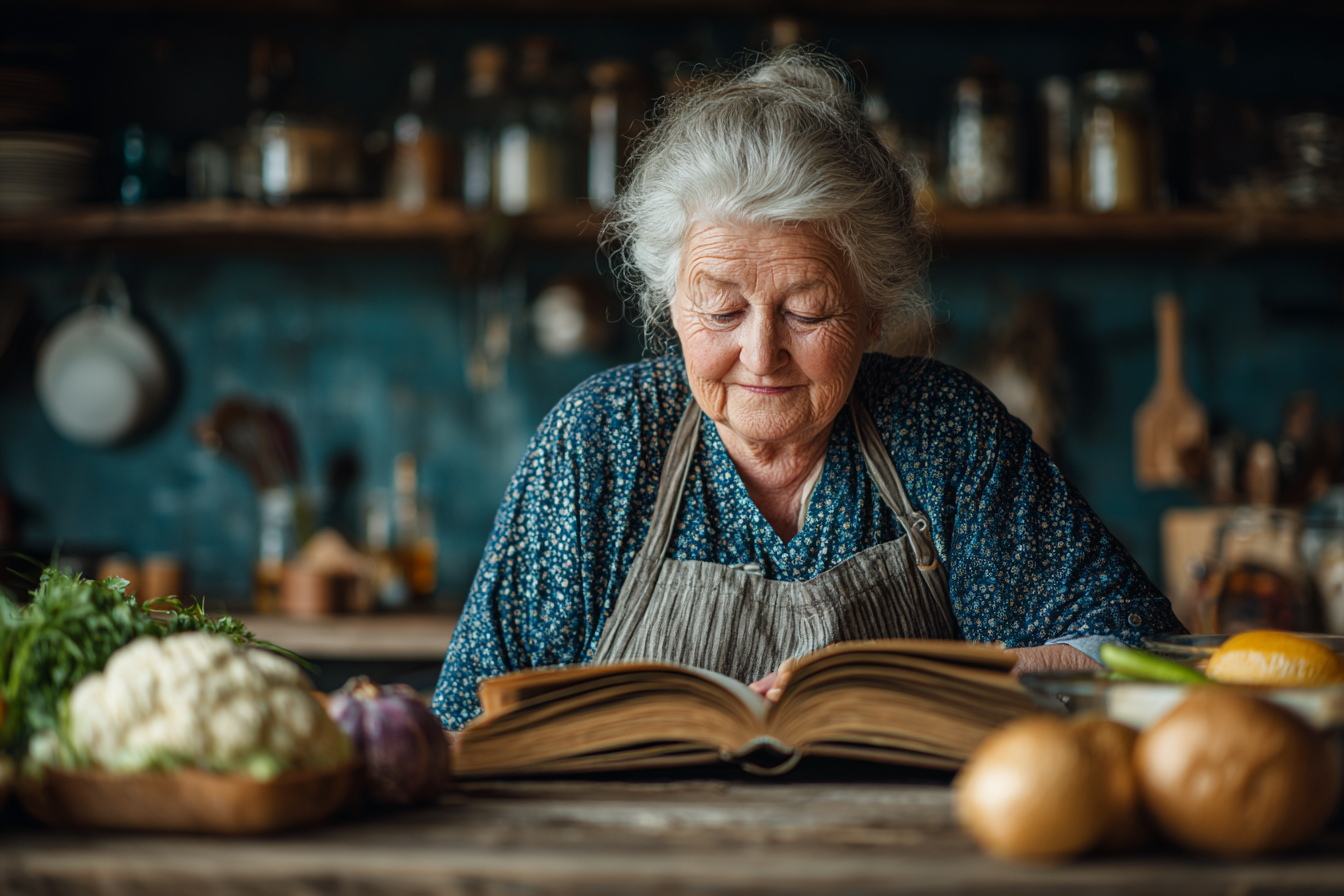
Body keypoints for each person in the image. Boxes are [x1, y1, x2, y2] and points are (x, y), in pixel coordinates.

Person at [431, 51, 1184, 731]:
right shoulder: (601, 443)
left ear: (873, 311)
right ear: (669, 304)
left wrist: (905, 686)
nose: (761, 354)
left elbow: (1138, 651)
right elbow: (470, 717)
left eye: (807, 309)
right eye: (721, 309)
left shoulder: (943, 430)